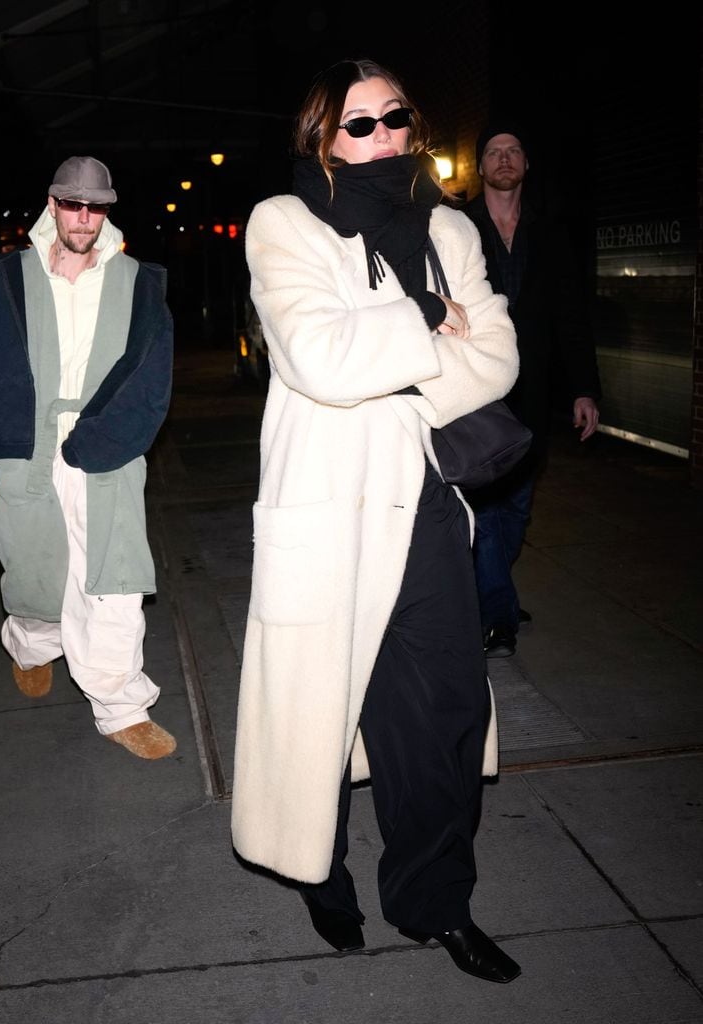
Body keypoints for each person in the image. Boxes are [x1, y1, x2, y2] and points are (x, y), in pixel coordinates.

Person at [230, 58, 522, 983]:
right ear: (322, 139)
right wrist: (428, 322)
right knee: (327, 708)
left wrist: (396, 346)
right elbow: (316, 356)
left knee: (443, 714)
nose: (383, 134)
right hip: (324, 503)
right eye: (359, 124)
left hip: (428, 504)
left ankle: (437, 904)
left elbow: (499, 362)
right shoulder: (283, 223)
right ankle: (325, 877)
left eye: (395, 116)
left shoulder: (449, 227)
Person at [0, 155, 177, 760]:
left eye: (96, 206)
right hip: (23, 449)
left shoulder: (140, 283)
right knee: (38, 573)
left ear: (108, 210)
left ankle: (122, 704)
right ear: (52, 204)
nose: (84, 216)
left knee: (113, 579)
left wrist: (101, 442)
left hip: (108, 445)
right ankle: (29, 641)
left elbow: (153, 381)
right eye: (72, 204)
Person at [464, 124, 602, 657]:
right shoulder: (458, 226)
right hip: (477, 387)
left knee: (518, 503)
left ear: (526, 164)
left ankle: (493, 585)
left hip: (534, 391)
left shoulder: (550, 233)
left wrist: (583, 390)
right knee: (490, 503)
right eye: (494, 152)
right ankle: (498, 615)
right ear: (480, 167)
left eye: (514, 150)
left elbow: (571, 317)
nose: (504, 159)